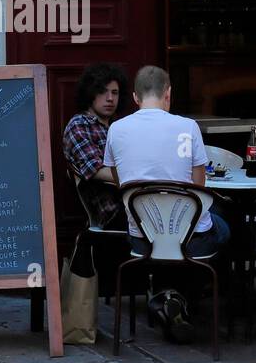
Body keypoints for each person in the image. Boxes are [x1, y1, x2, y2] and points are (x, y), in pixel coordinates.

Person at [103, 65, 230, 342]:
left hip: (142, 240)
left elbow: (119, 180)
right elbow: (199, 188)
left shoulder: (116, 129)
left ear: (135, 97)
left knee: (166, 240)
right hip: (191, 240)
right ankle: (190, 301)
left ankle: (170, 297)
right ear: (168, 94)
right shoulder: (188, 127)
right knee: (224, 226)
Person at [62, 63, 128, 231]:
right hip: (113, 212)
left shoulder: (119, 126)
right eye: (102, 91)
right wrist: (143, 174)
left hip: (136, 201)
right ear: (90, 94)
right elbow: (96, 170)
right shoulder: (80, 125)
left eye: (115, 93)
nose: (110, 98)